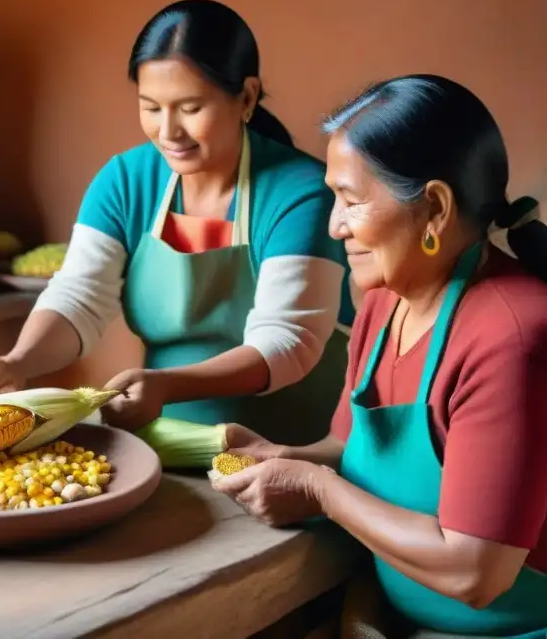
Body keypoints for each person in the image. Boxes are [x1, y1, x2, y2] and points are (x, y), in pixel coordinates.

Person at [211, 75, 547, 637]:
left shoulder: (512, 339)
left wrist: (318, 489)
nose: (334, 224)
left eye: (351, 199)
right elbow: (346, 449)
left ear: (435, 207)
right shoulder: (382, 303)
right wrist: (285, 457)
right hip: (397, 616)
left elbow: (476, 571)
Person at [0, 0, 355, 446]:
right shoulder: (126, 181)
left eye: (189, 108)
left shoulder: (300, 192)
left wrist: (167, 385)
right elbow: (79, 299)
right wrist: (18, 362)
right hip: (167, 441)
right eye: (151, 107)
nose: (168, 131)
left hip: (294, 451)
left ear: (245, 96)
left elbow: (286, 342)